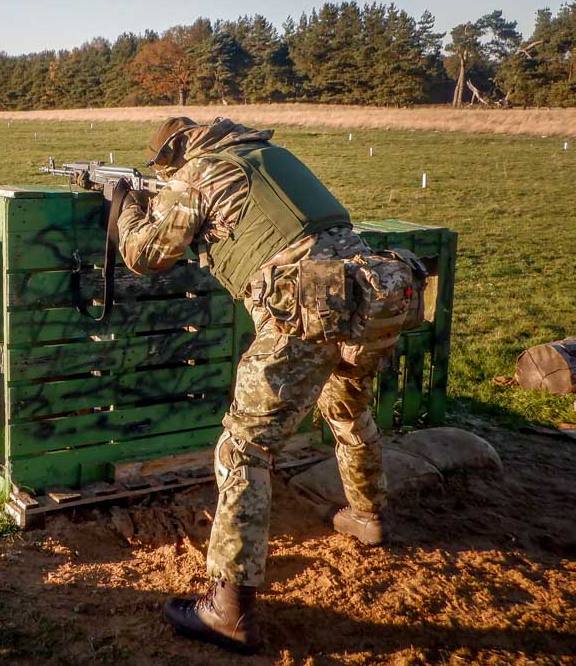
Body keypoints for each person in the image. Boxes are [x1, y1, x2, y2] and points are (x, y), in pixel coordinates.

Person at [116, 117, 425, 654]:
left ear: (175, 153)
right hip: (370, 300)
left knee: (244, 449)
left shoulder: (197, 174)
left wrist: (125, 209)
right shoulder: (269, 158)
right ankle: (367, 516)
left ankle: (227, 609)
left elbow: (146, 256)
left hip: (305, 311)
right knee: (348, 411)